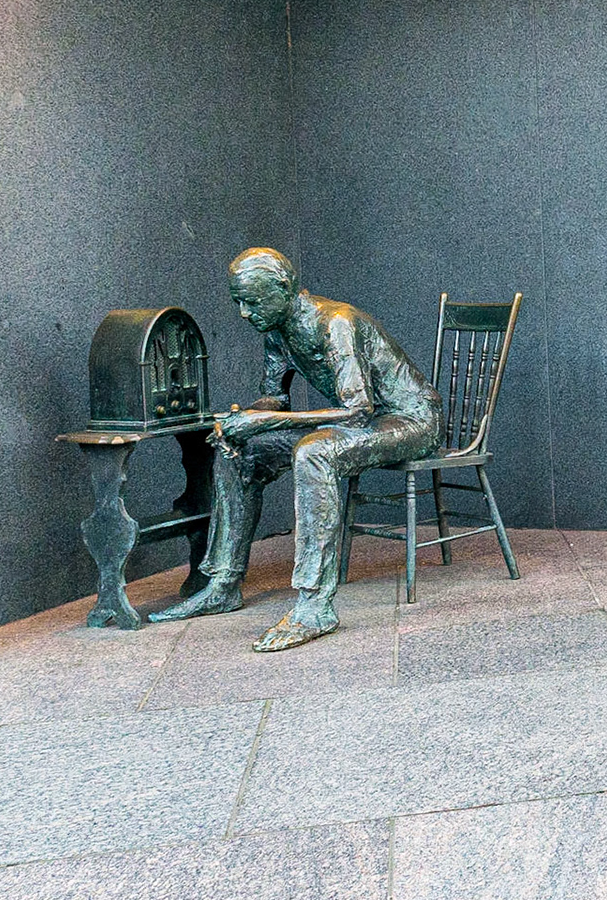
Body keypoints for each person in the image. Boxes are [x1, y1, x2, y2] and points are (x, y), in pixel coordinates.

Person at [150, 248, 443, 651]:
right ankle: (223, 582)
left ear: (284, 288)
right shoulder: (276, 329)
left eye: (251, 301)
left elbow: (358, 410)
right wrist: (244, 419)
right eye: (238, 301)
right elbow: (275, 399)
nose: (243, 312)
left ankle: (314, 604)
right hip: (364, 420)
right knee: (243, 451)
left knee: (314, 452)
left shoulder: (335, 322)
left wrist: (267, 420)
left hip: (410, 421)